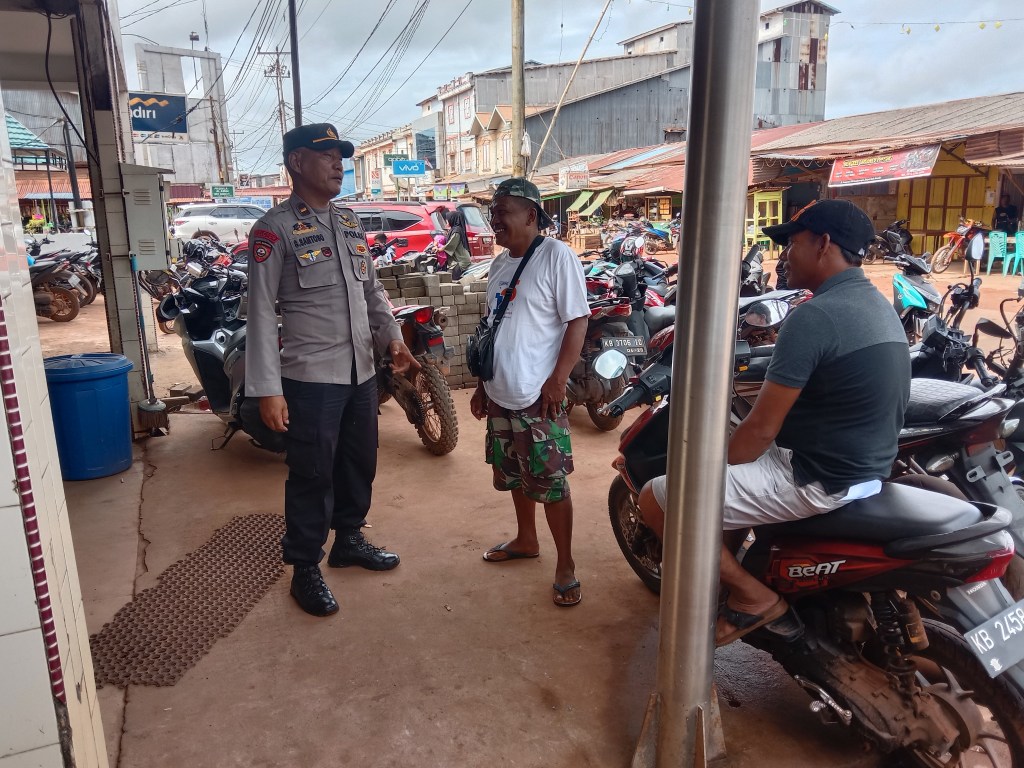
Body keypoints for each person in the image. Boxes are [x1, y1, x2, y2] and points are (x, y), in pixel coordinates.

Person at [637, 199, 909, 644]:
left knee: (657, 497)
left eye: (793, 243)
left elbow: (761, 430)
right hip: (866, 469)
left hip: (814, 476)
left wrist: (709, 467)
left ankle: (752, 597)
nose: (783, 256)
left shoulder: (815, 316)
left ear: (823, 244)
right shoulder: (877, 304)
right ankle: (723, 582)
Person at [246, 123, 419, 618]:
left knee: (358, 462)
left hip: (360, 372)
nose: (338, 164)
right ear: (297, 162)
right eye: (326, 155)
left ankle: (349, 539)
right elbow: (261, 313)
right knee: (312, 473)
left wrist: (392, 337)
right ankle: (304, 567)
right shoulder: (273, 230)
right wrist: (267, 388)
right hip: (311, 377)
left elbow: (371, 291)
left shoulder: (348, 222)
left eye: (340, 156)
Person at [469, 178, 590, 607]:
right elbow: (491, 328)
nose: (494, 220)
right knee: (516, 473)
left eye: (502, 211)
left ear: (531, 216)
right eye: (493, 212)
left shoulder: (557, 256)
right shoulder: (499, 265)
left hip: (539, 396)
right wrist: (483, 386)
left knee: (551, 481)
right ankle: (526, 539)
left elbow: (577, 321)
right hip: (500, 391)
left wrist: (558, 380)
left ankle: (566, 564)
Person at [442, 209, 472, 280]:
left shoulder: (456, 231)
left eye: (447, 219)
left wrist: (440, 249)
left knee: (450, 278)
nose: (446, 221)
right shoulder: (453, 230)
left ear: (452, 219)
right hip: (457, 260)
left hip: (461, 261)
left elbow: (451, 244)